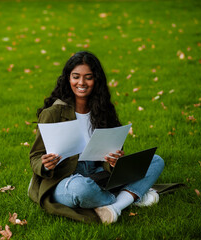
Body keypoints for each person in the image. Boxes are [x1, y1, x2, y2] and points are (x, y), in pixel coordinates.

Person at [28, 51, 165, 224]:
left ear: (96, 80)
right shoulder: (53, 113)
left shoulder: (103, 110)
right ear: (68, 79)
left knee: (156, 161)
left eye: (88, 77)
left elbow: (113, 151)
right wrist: (45, 164)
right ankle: (129, 197)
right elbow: (35, 156)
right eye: (76, 77)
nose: (81, 83)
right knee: (81, 189)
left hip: (100, 174)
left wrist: (115, 160)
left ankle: (115, 206)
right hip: (65, 180)